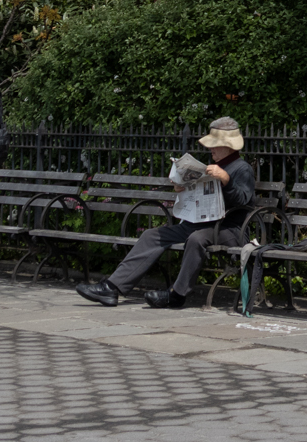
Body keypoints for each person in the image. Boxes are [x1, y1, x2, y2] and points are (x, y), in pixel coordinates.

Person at [76, 116, 255, 310]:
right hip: (200, 223)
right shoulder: (212, 167)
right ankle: (112, 287)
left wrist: (226, 180)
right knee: (152, 235)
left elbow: (243, 201)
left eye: (214, 145)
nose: (210, 149)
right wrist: (184, 188)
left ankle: (176, 295)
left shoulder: (241, 168)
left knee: (196, 239)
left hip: (229, 229)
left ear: (228, 147)